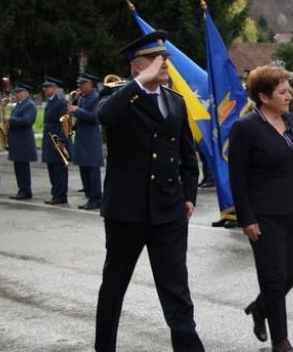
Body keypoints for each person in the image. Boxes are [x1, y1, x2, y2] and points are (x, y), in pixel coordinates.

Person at [94, 30, 204, 351]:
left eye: (166, 57)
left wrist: (188, 196)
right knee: (114, 286)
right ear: (137, 65)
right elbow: (105, 116)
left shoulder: (176, 101)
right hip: (126, 211)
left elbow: (188, 156)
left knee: (176, 291)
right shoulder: (119, 95)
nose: (165, 63)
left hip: (168, 211)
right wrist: (140, 85)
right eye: (158, 58)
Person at [229, 65, 293, 352]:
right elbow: (238, 177)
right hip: (264, 215)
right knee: (273, 276)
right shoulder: (245, 128)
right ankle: (281, 341)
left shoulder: (291, 120)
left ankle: (259, 306)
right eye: (282, 92)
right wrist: (246, 218)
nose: (289, 96)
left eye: (288, 90)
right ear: (264, 97)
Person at [69, 72, 104, 210]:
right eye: (79, 84)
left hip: (91, 139)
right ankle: (90, 196)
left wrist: (76, 110)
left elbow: (94, 117)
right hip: (82, 138)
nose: (80, 86)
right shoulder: (83, 98)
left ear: (90, 84)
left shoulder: (96, 97)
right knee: (84, 169)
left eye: (83, 84)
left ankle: (96, 198)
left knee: (92, 170)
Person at [6, 82, 38, 200]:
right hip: (17, 140)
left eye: (19, 92)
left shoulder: (29, 105)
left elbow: (26, 121)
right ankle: (22, 189)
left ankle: (25, 190)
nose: (17, 95)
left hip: (23, 141)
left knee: (23, 168)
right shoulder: (19, 105)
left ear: (26, 93)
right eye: (16, 92)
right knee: (18, 167)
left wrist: (11, 119)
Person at [42, 76, 70, 205]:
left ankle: (60, 195)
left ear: (55, 88)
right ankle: (56, 193)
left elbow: (64, 123)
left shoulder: (60, 102)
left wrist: (62, 140)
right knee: (52, 168)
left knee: (59, 169)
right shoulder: (51, 101)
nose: (45, 89)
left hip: (57, 139)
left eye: (48, 87)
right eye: (45, 87)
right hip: (50, 139)